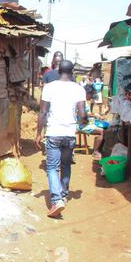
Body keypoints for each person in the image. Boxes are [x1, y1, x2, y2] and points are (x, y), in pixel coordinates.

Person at [36, 60, 87, 218]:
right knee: (66, 165)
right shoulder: (79, 88)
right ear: (72, 72)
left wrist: (38, 133)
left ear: (58, 71)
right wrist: (83, 121)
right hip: (70, 133)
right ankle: (63, 194)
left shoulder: (49, 87)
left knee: (52, 168)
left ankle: (57, 199)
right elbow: (82, 114)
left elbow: (43, 113)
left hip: (54, 132)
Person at [77, 85, 106, 161]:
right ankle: (95, 151)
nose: (92, 97)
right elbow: (83, 115)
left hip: (83, 122)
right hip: (80, 125)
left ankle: (97, 148)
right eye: (91, 94)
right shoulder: (81, 102)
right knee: (101, 131)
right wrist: (95, 115)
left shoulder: (82, 101)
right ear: (86, 93)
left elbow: (86, 114)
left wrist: (94, 116)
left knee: (102, 128)